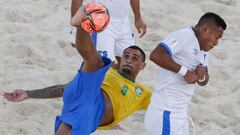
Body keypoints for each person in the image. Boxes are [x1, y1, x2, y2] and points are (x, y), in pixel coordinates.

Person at [4, 5, 151, 135]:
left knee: (95, 63)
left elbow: (167, 104)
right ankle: (81, 25)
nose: (129, 60)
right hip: (90, 97)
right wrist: (30, 94)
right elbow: (65, 88)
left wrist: (27, 94)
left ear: (142, 65)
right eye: (126, 56)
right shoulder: (110, 72)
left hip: (87, 112)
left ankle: (82, 25)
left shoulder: (143, 92)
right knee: (97, 61)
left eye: (135, 58)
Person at [144, 12, 227, 135]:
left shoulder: (203, 48)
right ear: (205, 29)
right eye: (217, 37)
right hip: (165, 113)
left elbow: (204, 81)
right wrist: (185, 72)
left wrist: (202, 76)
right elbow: (156, 55)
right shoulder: (183, 36)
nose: (216, 43)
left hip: (181, 114)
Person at [70, 0, 147, 68]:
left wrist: (138, 18)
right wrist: (75, 28)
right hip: (101, 23)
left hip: (124, 24)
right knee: (101, 65)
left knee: (125, 65)